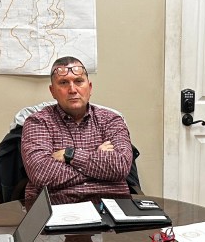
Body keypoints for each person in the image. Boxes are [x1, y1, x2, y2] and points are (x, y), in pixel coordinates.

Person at [21, 56, 134, 205]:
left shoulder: (111, 120)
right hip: (58, 208)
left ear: (90, 87)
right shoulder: (38, 122)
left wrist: (70, 155)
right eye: (63, 83)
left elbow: (121, 166)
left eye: (79, 81)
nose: (72, 90)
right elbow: (41, 174)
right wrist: (98, 161)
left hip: (112, 207)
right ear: (52, 91)